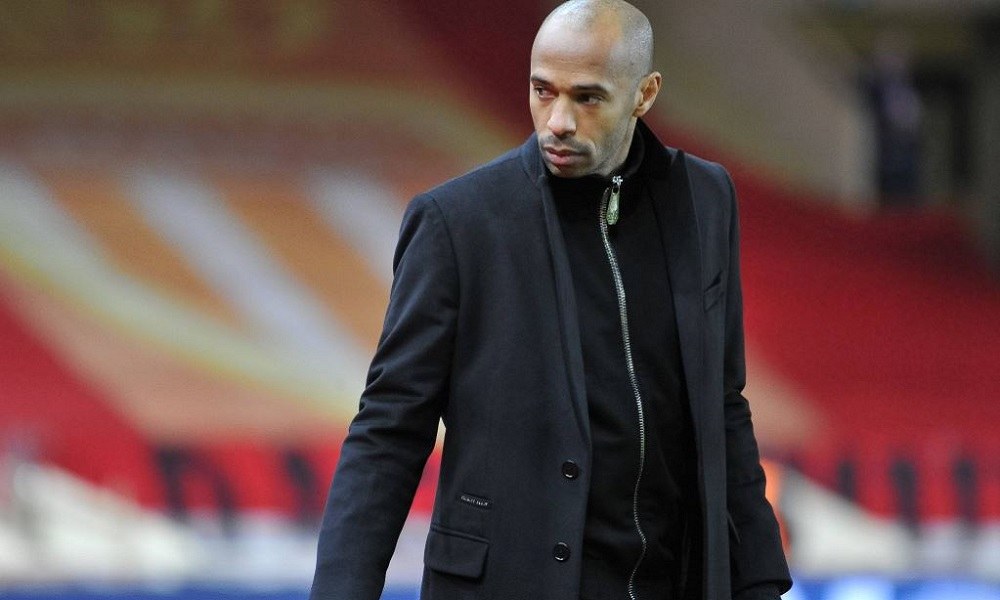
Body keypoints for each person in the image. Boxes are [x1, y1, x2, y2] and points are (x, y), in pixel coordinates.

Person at [310, 1, 792, 599]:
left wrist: (760, 581)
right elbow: (389, 429)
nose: (558, 121)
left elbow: (722, 403)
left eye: (587, 98)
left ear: (644, 95)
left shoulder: (704, 198)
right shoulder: (457, 222)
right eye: (543, 91)